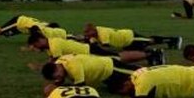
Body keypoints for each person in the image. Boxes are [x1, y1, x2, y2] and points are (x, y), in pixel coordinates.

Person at [26, 30, 163, 66]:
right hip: (88, 50)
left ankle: (150, 54)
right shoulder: (51, 44)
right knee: (116, 57)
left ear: (40, 40)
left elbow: (54, 61)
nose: (36, 48)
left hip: (90, 51)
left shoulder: (53, 44)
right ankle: (150, 55)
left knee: (117, 58)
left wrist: (40, 66)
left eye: (36, 45)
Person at [40, 54, 139, 93]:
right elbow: (60, 79)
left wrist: (58, 89)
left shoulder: (73, 67)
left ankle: (153, 71)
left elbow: (81, 88)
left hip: (109, 67)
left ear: (57, 67)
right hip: (104, 76)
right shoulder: (58, 63)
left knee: (140, 73)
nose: (59, 77)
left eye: (58, 74)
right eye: (56, 77)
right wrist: (55, 85)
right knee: (118, 90)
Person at [82, 23, 182, 51]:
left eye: (88, 33)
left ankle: (173, 40)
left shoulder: (102, 34)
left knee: (149, 41)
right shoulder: (95, 34)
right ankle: (168, 43)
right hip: (125, 44)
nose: (88, 35)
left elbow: (106, 47)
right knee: (143, 47)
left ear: (93, 30)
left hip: (129, 37)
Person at [0, 14, 64, 44]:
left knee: (3, 33)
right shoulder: (42, 27)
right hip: (18, 22)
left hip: (21, 27)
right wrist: (32, 42)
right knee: (2, 30)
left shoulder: (45, 25)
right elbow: (33, 28)